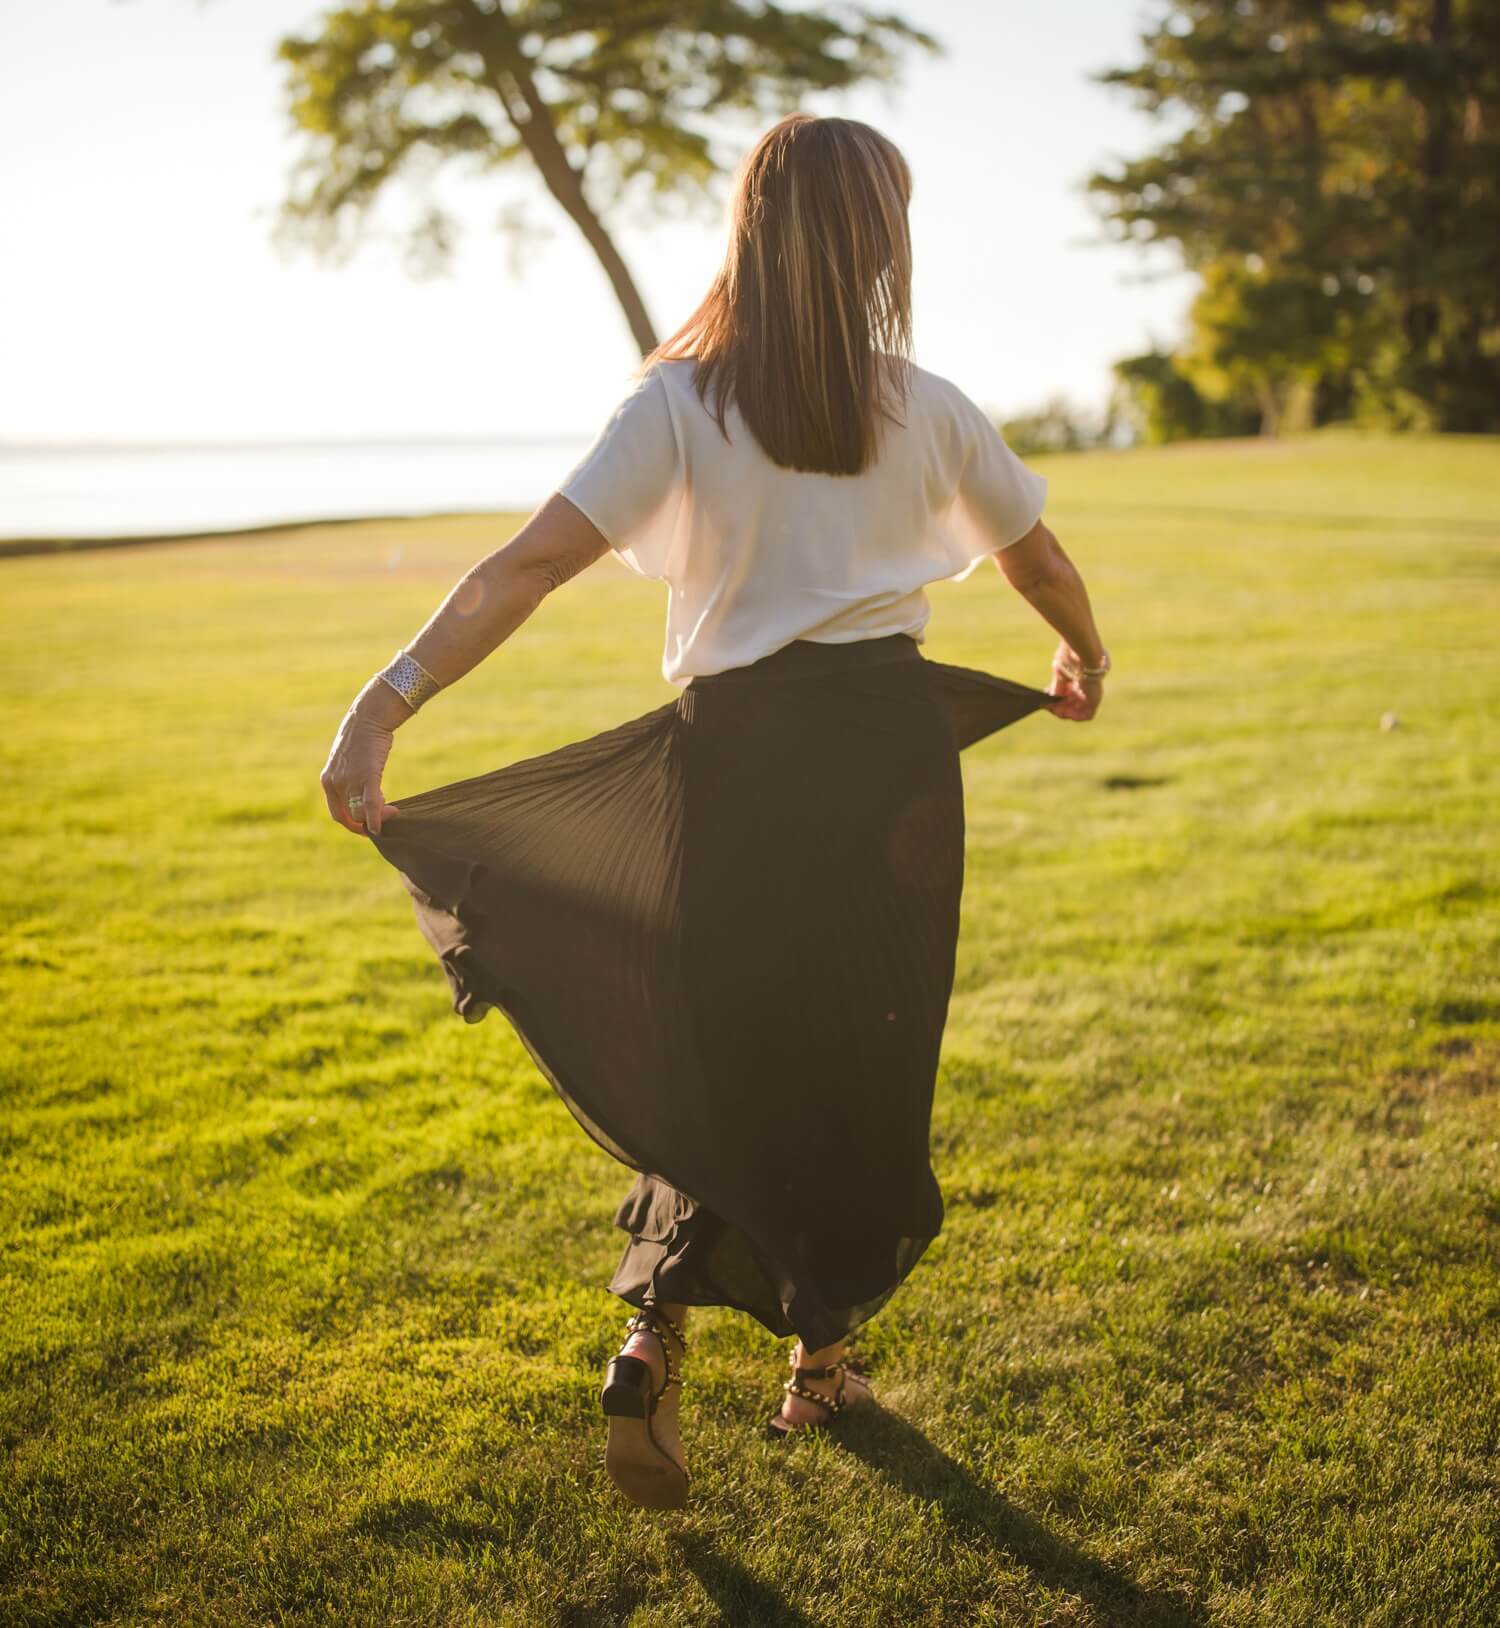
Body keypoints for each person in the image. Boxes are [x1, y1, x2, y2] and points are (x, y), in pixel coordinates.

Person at [319, 112, 1108, 1512]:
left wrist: (385, 702)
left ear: (750, 231)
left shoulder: (680, 407)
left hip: (736, 768)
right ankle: (819, 1364)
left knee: (720, 1051)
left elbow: (525, 567)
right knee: (855, 1060)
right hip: (888, 773)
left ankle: (654, 1331)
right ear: (879, 245)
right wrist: (1082, 655)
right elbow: (1038, 556)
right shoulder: (923, 406)